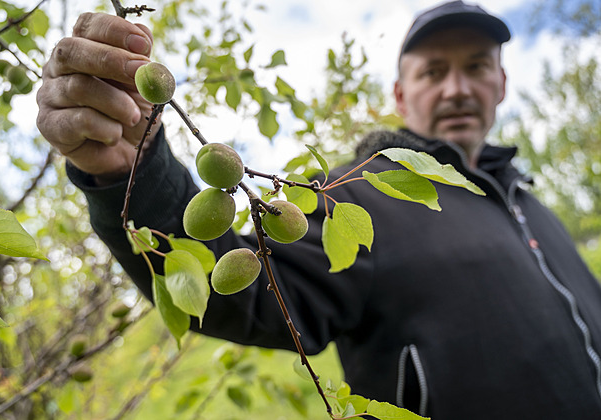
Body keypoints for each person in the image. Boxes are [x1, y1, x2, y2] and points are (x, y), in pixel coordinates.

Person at [36, 1, 601, 418]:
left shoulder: (529, 202)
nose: (456, 88)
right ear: (401, 95)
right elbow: (242, 285)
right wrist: (134, 169)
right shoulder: (358, 194)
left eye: (476, 67)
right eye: (432, 71)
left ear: (500, 84)